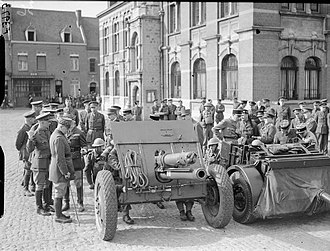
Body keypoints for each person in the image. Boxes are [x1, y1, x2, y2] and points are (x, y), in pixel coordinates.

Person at [49, 117, 75, 223]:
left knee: (59, 191)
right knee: (59, 192)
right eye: (67, 128)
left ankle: (59, 213)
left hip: (57, 167)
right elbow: (60, 158)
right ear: (62, 126)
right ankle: (58, 216)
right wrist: (65, 172)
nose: (68, 130)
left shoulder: (57, 135)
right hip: (59, 169)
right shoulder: (59, 138)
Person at [26, 112, 53, 216]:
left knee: (47, 184)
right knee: (40, 186)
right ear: (42, 122)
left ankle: (46, 204)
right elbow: (30, 149)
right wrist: (30, 138)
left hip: (47, 163)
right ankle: (39, 207)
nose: (49, 123)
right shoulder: (36, 134)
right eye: (47, 122)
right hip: (39, 164)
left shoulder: (47, 132)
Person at [62, 113, 88, 212]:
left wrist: (84, 150)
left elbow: (84, 145)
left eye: (69, 121)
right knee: (66, 183)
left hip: (76, 161)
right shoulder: (63, 132)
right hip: (66, 161)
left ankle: (80, 202)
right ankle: (66, 202)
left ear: (73, 121)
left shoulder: (79, 132)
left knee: (78, 183)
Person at [15, 110, 36, 196]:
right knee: (28, 169)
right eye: (33, 118)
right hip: (26, 152)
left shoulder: (30, 127)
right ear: (30, 119)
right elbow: (18, 143)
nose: (34, 119)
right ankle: (25, 188)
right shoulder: (23, 129)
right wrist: (23, 151)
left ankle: (31, 185)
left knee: (30, 169)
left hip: (30, 151)